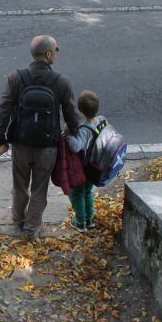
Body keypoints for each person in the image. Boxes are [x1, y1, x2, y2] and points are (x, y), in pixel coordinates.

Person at [0, 35, 81, 240]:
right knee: (39, 188)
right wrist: (73, 134)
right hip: (47, 147)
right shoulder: (61, 82)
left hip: (21, 144)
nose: (56, 54)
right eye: (56, 50)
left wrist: (1, 137)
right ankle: (32, 229)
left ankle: (17, 219)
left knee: (20, 185)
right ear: (49, 54)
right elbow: (72, 116)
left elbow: (3, 109)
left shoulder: (16, 78)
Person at [65, 90, 100, 232]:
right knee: (87, 192)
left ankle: (80, 221)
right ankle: (89, 219)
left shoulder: (84, 129)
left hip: (83, 167)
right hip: (94, 165)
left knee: (78, 193)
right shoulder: (99, 122)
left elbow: (76, 147)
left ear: (80, 110)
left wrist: (68, 135)